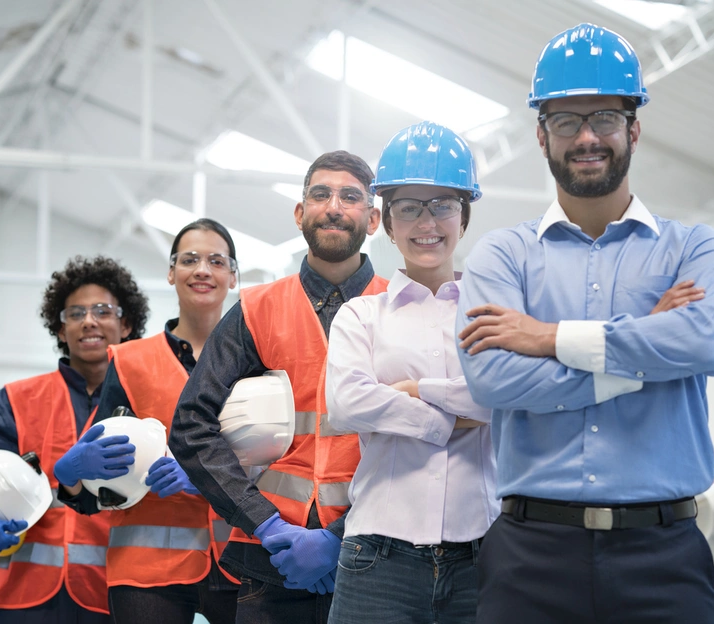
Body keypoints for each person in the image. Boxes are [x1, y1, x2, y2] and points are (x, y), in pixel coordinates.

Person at [455, 23, 714, 624]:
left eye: (605, 118)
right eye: (566, 122)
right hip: (529, 558)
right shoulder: (502, 256)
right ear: (541, 135)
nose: (587, 137)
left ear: (633, 129)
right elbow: (493, 380)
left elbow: (705, 339)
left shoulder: (695, 249)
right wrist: (643, 353)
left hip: (665, 556)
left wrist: (547, 337)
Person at [168, 150, 388, 624]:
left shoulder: (399, 308)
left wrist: (340, 537)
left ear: (372, 219)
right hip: (272, 561)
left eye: (350, 197)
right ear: (299, 213)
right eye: (320, 194)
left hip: (379, 557)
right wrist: (267, 525)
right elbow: (190, 425)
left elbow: (420, 444)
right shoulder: (256, 309)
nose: (333, 206)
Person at [324, 121, 497, 624]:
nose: (428, 222)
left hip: (482, 556)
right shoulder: (361, 315)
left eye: (443, 205)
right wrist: (449, 419)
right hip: (378, 558)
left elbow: (504, 397)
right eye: (409, 208)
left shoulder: (494, 312)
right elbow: (349, 404)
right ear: (388, 222)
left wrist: (416, 391)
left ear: (463, 219)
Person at [0, 256, 149, 623]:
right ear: (60, 330)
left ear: (126, 324)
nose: (88, 320)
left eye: (102, 311)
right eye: (75, 313)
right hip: (27, 601)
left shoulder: (147, 401)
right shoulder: (18, 399)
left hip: (116, 599)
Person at [54, 219, 241, 624]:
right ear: (171, 273)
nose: (203, 270)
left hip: (239, 558)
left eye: (216, 261)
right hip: (146, 569)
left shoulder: (258, 357)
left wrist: (207, 477)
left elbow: (279, 457)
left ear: (233, 276)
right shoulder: (130, 361)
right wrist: (71, 475)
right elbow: (97, 488)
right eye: (189, 259)